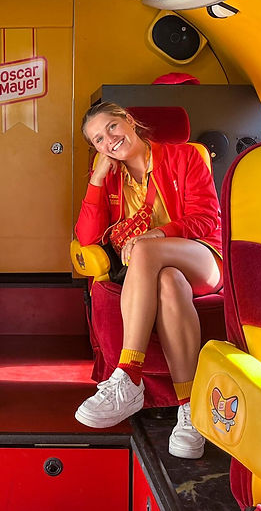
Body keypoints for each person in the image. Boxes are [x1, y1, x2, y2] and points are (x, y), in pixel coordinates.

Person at [74, 102, 222, 458]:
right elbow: (88, 235)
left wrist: (159, 233)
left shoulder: (186, 157)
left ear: (128, 120)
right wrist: (96, 180)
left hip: (201, 256)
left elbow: (206, 217)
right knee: (169, 282)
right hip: (161, 274)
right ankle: (189, 411)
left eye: (111, 127)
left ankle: (128, 372)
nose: (109, 140)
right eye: (98, 140)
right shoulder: (111, 178)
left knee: (143, 249)